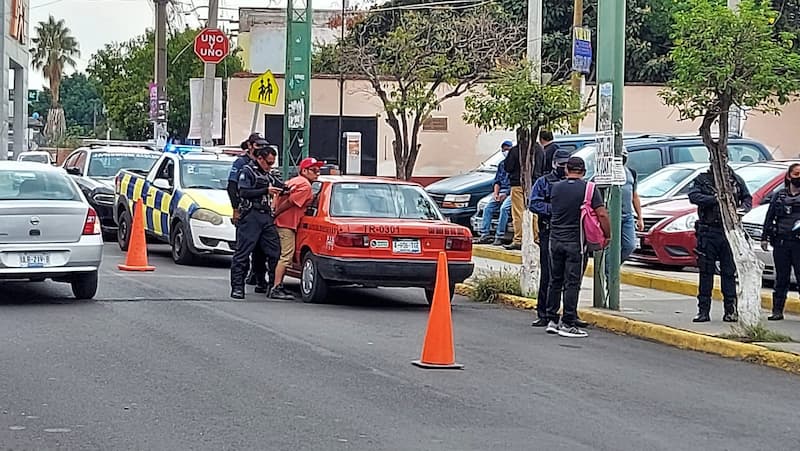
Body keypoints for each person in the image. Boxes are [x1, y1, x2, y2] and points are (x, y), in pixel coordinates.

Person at [546, 157, 611, 338]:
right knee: (572, 283)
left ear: (567, 169)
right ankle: (567, 322)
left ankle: (552, 319)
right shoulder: (589, 189)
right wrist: (607, 234)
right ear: (583, 171)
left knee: (555, 281)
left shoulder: (556, 187)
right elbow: (602, 214)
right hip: (576, 242)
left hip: (555, 239)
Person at [687, 164, 752, 323]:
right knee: (706, 272)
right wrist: (715, 199)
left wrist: (741, 210)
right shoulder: (703, 179)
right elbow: (694, 196)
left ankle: (730, 310)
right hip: (708, 231)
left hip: (728, 231)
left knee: (729, 272)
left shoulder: (735, 179)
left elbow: (747, 198)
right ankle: (703, 311)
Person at [229, 144, 284, 300]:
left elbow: (282, 187)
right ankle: (237, 288)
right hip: (251, 216)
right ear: (260, 158)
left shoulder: (269, 174)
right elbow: (243, 191)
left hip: (266, 216)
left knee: (274, 252)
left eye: (272, 163)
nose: (270, 166)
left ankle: (272, 286)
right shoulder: (247, 171)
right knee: (242, 253)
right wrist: (265, 190)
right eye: (268, 162)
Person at [270, 157, 324, 300]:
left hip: (282, 222)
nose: (317, 173)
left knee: (281, 255)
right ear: (304, 170)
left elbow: (279, 195)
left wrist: (274, 212)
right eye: (314, 170)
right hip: (286, 224)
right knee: (286, 256)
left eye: (318, 171)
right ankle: (276, 287)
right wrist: (276, 213)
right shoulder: (305, 185)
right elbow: (290, 202)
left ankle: (274, 285)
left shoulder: (295, 181)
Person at [529, 148, 570, 327]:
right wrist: (554, 210)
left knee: (567, 276)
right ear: (554, 164)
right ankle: (544, 313)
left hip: (569, 232)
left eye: (566, 165)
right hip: (549, 230)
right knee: (548, 273)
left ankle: (566, 313)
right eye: (561, 164)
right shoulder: (544, 182)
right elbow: (534, 203)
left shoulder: (573, 183)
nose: (564, 168)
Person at [227, 133, 269, 293]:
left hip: (262, 213)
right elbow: (232, 187)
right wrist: (235, 209)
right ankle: (238, 286)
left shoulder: (264, 161)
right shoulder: (241, 163)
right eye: (258, 145)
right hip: (247, 211)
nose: (262, 148)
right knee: (243, 250)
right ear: (250, 145)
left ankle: (259, 279)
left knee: (261, 250)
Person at [761, 163, 800, 321]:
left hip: (798, 243)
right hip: (782, 243)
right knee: (781, 278)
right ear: (789, 176)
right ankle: (777, 310)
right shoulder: (779, 196)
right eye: (796, 174)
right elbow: (770, 216)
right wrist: (764, 237)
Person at [503, 140, 545, 250]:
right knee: (534, 212)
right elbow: (543, 166)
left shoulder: (516, 150)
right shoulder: (539, 149)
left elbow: (507, 167)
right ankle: (535, 238)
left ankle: (519, 239)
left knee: (518, 213)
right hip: (534, 183)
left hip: (517, 184)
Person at [476, 141, 513, 245]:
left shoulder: (516, 164)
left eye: (508, 149)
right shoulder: (501, 164)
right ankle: (485, 234)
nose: (506, 151)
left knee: (504, 209)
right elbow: (497, 181)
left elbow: (516, 183)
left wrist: (506, 194)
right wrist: (496, 194)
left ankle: (499, 236)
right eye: (504, 149)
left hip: (511, 193)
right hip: (501, 192)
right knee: (488, 208)